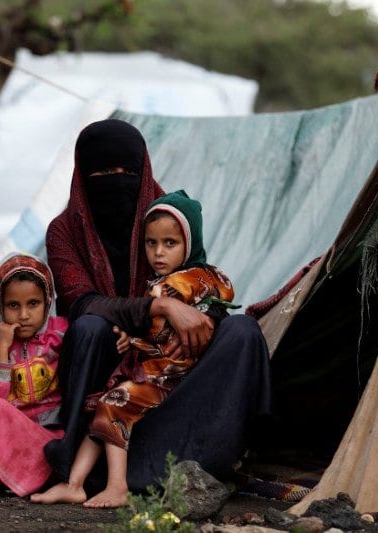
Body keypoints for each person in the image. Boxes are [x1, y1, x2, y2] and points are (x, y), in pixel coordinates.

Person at [41, 118, 272, 500]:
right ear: (82, 177)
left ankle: (210, 451)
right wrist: (158, 307)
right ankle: (86, 471)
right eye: (101, 172)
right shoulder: (64, 230)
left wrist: (202, 326)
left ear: (142, 171)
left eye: (125, 172)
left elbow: (199, 282)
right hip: (107, 370)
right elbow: (80, 302)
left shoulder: (164, 214)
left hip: (171, 373)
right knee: (91, 327)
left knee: (242, 331)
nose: (115, 181)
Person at [33, 190, 239, 507]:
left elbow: (164, 334)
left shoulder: (174, 285)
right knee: (100, 411)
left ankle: (117, 486)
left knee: (112, 406)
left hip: (168, 376)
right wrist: (131, 340)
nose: (158, 253)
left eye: (170, 244)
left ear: (189, 242)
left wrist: (138, 336)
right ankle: (73, 483)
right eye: (150, 243)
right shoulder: (202, 278)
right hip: (154, 370)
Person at [0, 252, 68, 498]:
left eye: (33, 304)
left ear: (47, 301)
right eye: (13, 305)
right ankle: (1, 473)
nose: (23, 315)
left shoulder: (62, 333)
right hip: (10, 436)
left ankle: (12, 477)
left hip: (51, 435)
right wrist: (1, 350)